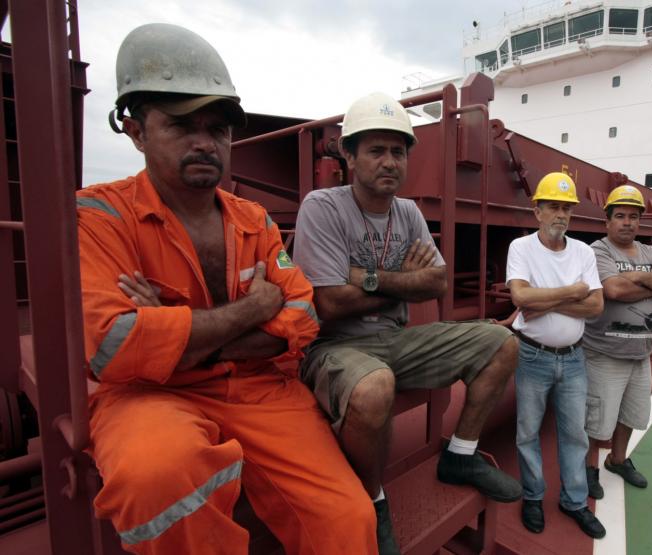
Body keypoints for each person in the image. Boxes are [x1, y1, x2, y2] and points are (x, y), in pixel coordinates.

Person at [78, 24, 374, 554]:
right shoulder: (100, 217)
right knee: (156, 478)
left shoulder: (254, 220)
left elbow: (303, 314)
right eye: (181, 125)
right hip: (150, 397)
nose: (204, 142)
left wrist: (175, 334)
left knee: (349, 520)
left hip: (259, 388)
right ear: (135, 130)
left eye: (217, 129)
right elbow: (114, 345)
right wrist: (254, 308)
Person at [294, 92, 522, 554]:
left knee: (501, 341)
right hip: (334, 347)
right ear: (349, 156)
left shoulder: (409, 212)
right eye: (376, 150)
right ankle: (372, 499)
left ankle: (459, 454)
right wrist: (405, 279)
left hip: (395, 339)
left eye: (398, 151)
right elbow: (331, 303)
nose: (389, 162)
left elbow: (436, 283)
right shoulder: (323, 207)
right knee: (374, 385)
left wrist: (368, 277)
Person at [506, 173, 606, 539]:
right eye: (553, 206)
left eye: (566, 208)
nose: (560, 214)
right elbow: (521, 299)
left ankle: (575, 501)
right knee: (527, 432)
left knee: (574, 434)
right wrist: (573, 291)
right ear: (537, 211)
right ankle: (533, 496)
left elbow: (595, 306)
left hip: (574, 359)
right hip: (533, 356)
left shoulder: (583, 251)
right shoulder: (521, 248)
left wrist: (546, 300)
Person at [582, 186, 652, 498]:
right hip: (604, 352)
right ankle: (588, 470)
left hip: (640, 353)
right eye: (621, 216)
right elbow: (614, 291)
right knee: (596, 421)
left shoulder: (650, 252)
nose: (627, 222)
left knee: (631, 414)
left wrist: (635, 279)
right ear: (608, 221)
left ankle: (618, 460)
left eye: (634, 217)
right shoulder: (597, 251)